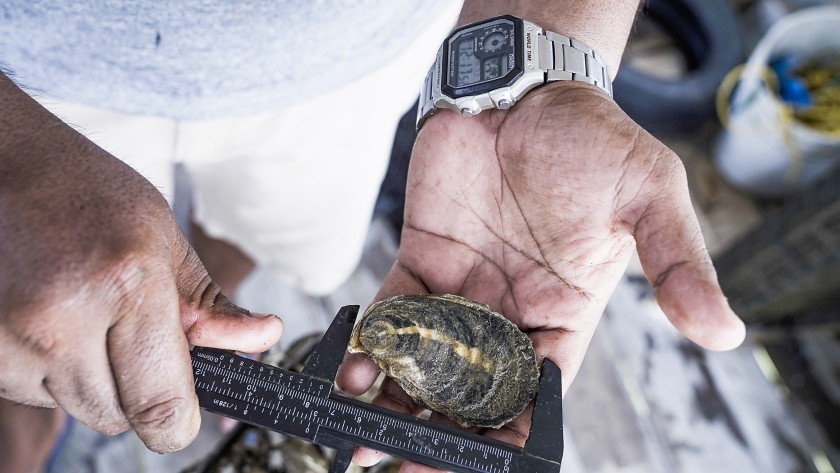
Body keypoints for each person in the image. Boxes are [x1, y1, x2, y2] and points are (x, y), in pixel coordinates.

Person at [0, 0, 746, 471]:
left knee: (294, 240)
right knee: (40, 317)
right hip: (34, 81)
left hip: (356, 62)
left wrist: (541, 51)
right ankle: (35, 426)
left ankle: (181, 345)